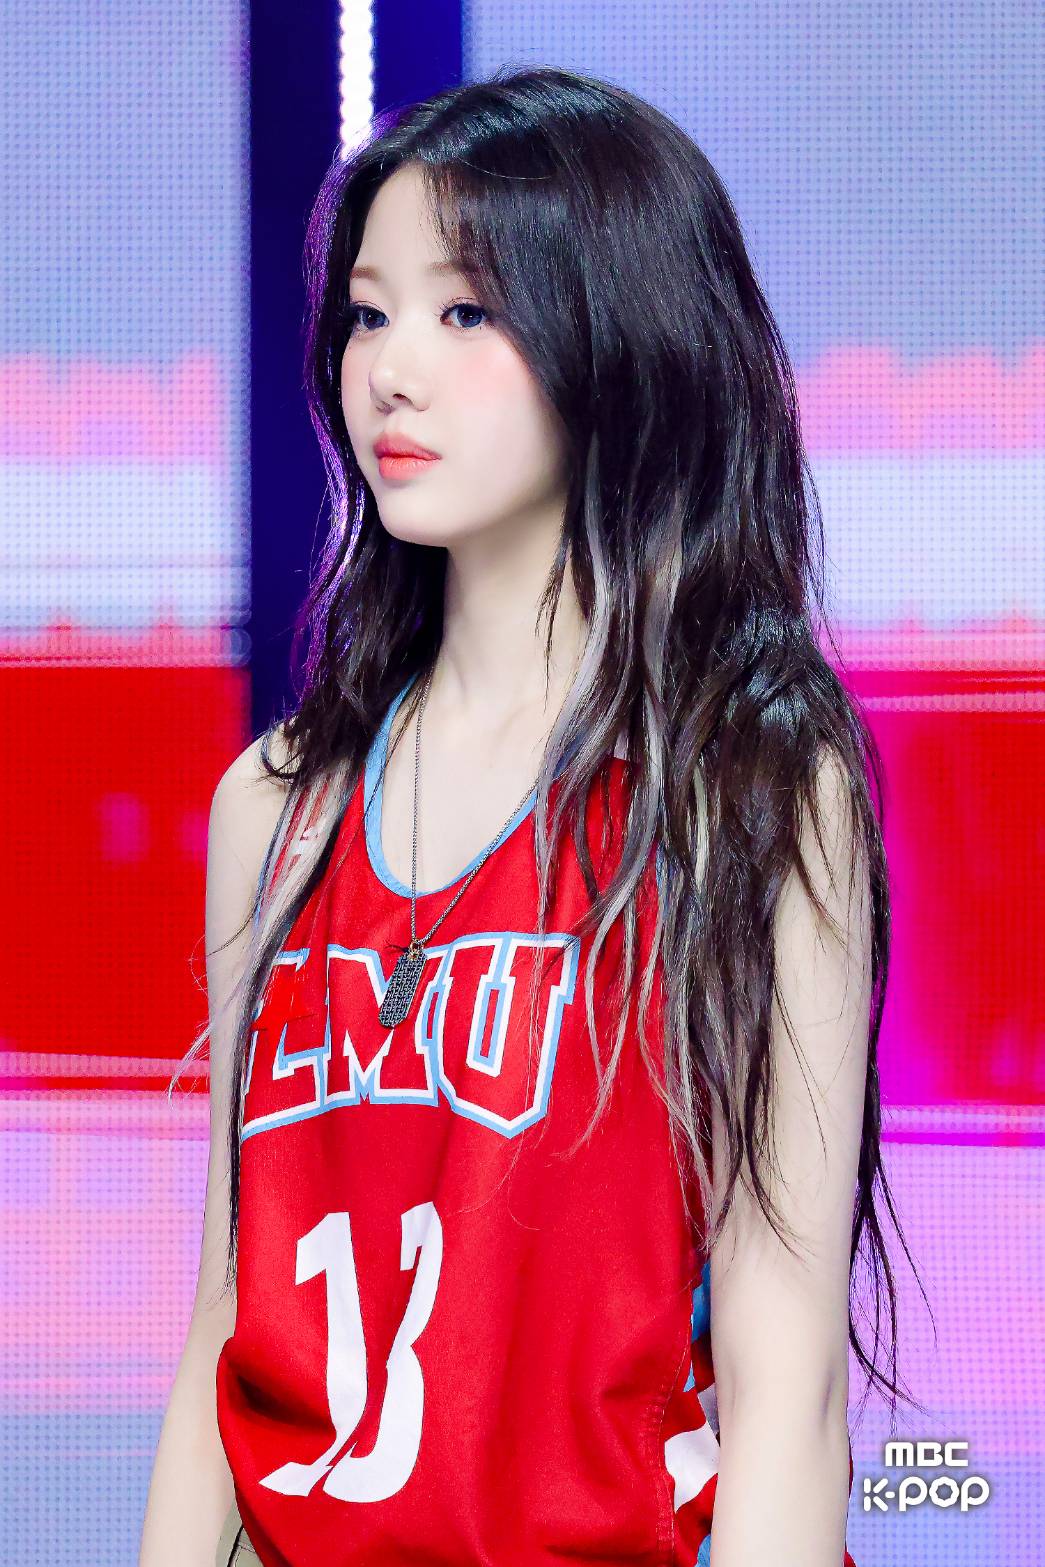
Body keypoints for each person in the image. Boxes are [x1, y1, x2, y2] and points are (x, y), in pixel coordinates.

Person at [139, 64, 923, 1567]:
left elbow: (788, 1386)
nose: (391, 372)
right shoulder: (277, 806)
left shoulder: (747, 787)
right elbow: (225, 1332)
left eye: (465, 312)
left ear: (617, 337)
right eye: (368, 314)